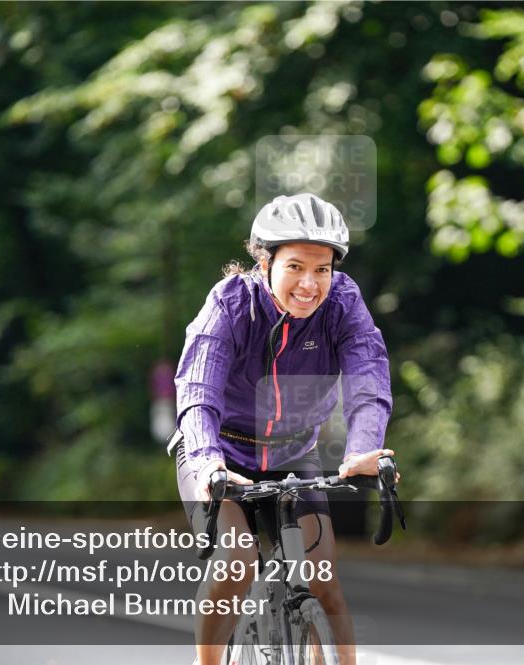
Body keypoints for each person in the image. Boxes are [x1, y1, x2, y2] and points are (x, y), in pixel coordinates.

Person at [171, 193, 394, 665]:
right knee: (236, 565)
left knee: (324, 585)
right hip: (218, 454)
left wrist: (363, 449)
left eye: (322, 270)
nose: (310, 284)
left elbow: (368, 378)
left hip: (294, 454)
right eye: (295, 266)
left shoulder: (343, 304)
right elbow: (197, 390)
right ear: (265, 261)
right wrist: (208, 459)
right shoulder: (231, 304)